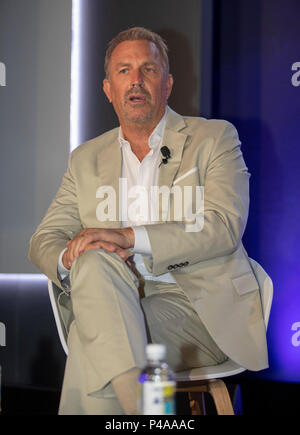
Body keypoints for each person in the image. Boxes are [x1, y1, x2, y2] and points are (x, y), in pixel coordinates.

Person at [28, 27, 268, 415]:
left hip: (198, 308)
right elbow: (45, 238)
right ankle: (147, 413)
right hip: (111, 300)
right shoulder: (85, 159)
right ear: (108, 88)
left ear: (168, 83)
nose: (136, 80)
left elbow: (222, 225)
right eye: (124, 71)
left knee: (94, 341)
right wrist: (73, 254)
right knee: (92, 264)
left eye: (148, 69)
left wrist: (126, 237)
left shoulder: (214, 138)